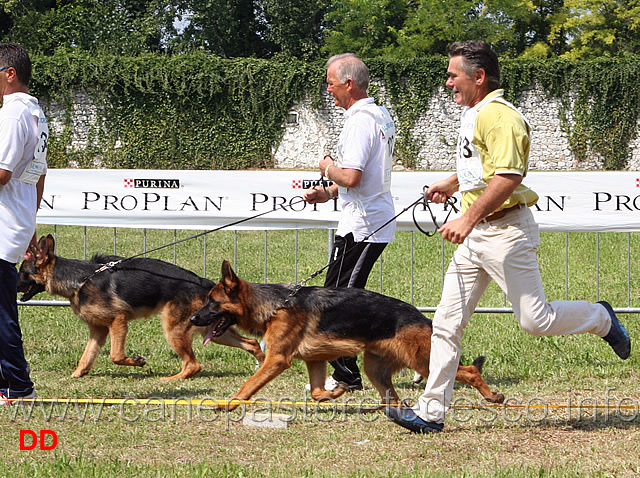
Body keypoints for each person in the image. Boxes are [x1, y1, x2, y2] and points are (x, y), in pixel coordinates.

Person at [385, 40, 631, 433]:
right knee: (446, 324)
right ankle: (431, 413)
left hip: (505, 232)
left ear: (478, 77)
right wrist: (451, 184)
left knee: (537, 321)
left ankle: (600, 317)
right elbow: (483, 168)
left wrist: (466, 218)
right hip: (478, 237)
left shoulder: (500, 117)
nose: (448, 83)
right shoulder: (476, 113)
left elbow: (508, 177)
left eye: (453, 75)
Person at [303, 53, 396, 391]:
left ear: (349, 84)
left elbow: (352, 177)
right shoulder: (379, 114)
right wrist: (329, 193)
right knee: (336, 298)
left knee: (339, 302)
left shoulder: (360, 121)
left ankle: (351, 372)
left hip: (364, 225)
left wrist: (326, 165)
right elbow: (363, 178)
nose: (328, 90)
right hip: (362, 220)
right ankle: (348, 370)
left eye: (330, 83)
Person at [0, 43, 48, 404]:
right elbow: (39, 175)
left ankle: (17, 386)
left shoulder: (13, 116)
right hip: (15, 220)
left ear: (9, 73)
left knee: (2, 313)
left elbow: (2, 174)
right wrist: (31, 222)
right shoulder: (37, 115)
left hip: (2, 225)